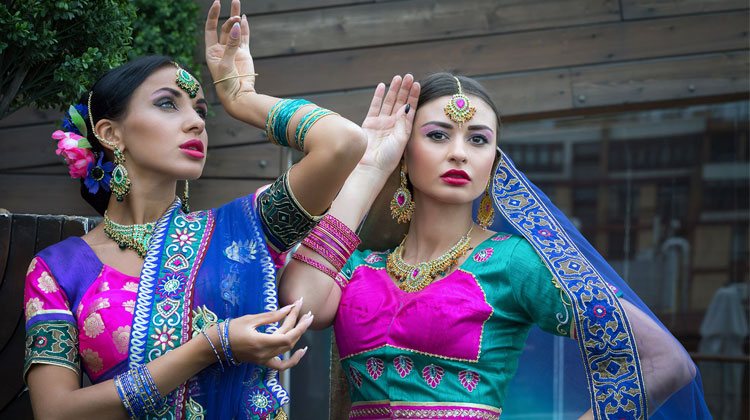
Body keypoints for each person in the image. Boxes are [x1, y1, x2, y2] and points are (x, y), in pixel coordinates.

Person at [279, 72, 712, 418]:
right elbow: (299, 304)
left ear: (494, 162)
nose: (459, 153)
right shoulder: (359, 269)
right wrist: (372, 165)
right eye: (437, 135)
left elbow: (664, 361)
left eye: (478, 139)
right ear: (405, 153)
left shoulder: (514, 263)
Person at [22, 1, 366, 418]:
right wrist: (210, 347)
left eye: (200, 111)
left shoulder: (245, 230)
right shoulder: (58, 268)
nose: (197, 123)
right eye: (168, 104)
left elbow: (342, 142)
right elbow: (55, 413)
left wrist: (243, 97)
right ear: (111, 133)